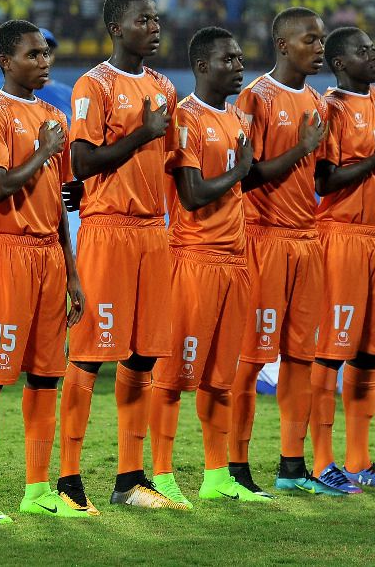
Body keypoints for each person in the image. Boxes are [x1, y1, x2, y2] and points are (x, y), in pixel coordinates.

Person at [60, 0, 181, 511]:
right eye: (143, 20)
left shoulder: (163, 86)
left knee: (144, 354)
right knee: (89, 355)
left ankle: (131, 480)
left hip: (153, 232)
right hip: (108, 231)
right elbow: (82, 162)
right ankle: (67, 482)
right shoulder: (94, 84)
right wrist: (141, 132)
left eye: (156, 19)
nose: (154, 27)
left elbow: (169, 159)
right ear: (116, 27)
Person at [0, 20, 86, 523]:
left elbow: (59, 204)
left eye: (47, 54)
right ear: (5, 62)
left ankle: (38, 489)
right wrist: (43, 150)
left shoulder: (54, 115)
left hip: (50, 258)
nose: (44, 62)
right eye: (33, 55)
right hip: (7, 251)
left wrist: (73, 274)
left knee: (45, 375)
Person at [149, 26, 269, 507]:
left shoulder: (238, 117)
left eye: (241, 59)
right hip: (194, 258)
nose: (239, 66)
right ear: (202, 66)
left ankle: (217, 475)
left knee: (221, 377)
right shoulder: (187, 118)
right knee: (175, 375)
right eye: (229, 59)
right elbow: (193, 195)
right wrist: (240, 171)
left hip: (234, 261)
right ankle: (160, 473)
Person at [230, 7, 330, 497]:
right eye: (311, 39)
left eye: (322, 39)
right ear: (283, 43)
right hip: (264, 238)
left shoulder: (315, 98)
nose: (320, 47)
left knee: (300, 357)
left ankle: (292, 465)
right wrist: (302, 147)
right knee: (251, 358)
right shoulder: (255, 98)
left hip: (306, 241)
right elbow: (246, 176)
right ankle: (234, 465)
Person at [310, 27, 375, 493]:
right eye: (364, 51)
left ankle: (359, 461)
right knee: (331, 354)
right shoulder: (329, 108)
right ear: (338, 63)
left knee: (369, 355)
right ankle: (322, 462)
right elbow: (325, 181)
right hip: (341, 238)